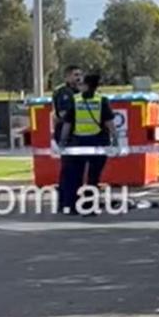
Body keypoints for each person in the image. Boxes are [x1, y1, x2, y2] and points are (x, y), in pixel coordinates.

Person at [59, 74, 117, 214]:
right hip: (98, 142)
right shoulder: (102, 100)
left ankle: (72, 206)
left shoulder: (76, 100)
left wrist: (63, 141)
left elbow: (67, 124)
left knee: (75, 176)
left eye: (81, 83)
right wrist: (115, 139)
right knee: (93, 177)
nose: (79, 86)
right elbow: (109, 123)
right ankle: (90, 207)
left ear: (86, 85)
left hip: (78, 142)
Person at [52, 65, 83, 145]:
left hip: (81, 133)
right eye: (76, 75)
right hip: (67, 134)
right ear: (67, 77)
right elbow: (64, 114)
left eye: (80, 75)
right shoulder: (63, 92)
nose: (79, 78)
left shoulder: (82, 91)